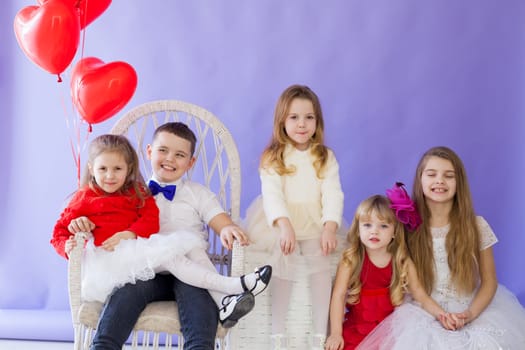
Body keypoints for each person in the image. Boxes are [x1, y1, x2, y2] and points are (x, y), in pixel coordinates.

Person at [52, 127, 271, 349]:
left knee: (199, 307)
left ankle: (212, 324)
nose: (169, 159)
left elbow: (218, 218)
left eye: (179, 154)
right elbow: (95, 219)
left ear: (191, 162)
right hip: (147, 272)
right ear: (149, 152)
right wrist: (79, 231)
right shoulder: (130, 191)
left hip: (191, 272)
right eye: (163, 150)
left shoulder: (197, 193)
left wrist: (226, 229)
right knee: (124, 295)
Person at [357, 146, 525, 349]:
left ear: (458, 183)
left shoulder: (476, 226)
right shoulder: (406, 227)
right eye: (431, 174)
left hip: (471, 309)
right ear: (420, 179)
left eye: (449, 176)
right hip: (422, 311)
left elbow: (489, 281)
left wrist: (469, 314)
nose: (440, 181)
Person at [244, 84, 344, 350]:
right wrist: (284, 226)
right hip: (282, 221)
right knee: (284, 255)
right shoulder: (274, 157)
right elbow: (272, 195)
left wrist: (330, 227)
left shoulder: (324, 156)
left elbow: (333, 193)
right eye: (294, 117)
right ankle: (278, 334)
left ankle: (319, 334)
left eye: (309, 117)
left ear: (317, 121)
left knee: (321, 261)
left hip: (315, 221)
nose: (302, 124)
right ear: (282, 121)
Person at [325, 183, 454, 350]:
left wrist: (442, 315)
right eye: (367, 225)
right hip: (358, 329)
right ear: (358, 230)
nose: (374, 231)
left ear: (394, 231)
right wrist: (336, 332)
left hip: (391, 331)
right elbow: (339, 295)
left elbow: (420, 295)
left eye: (383, 226)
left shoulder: (401, 261)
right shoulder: (351, 259)